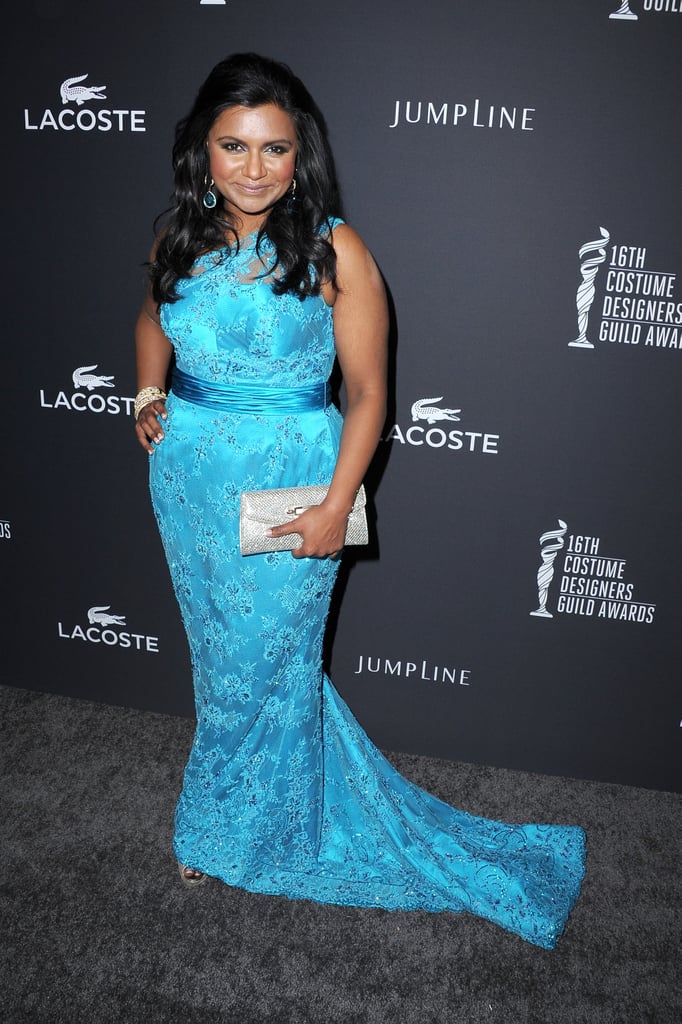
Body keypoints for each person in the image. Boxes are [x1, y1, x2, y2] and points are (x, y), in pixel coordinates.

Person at [134, 53, 585, 950]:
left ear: (301, 156)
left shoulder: (333, 246)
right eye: (234, 146)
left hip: (295, 483)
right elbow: (153, 314)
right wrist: (148, 393)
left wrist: (340, 504)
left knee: (267, 665)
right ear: (202, 151)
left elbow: (371, 394)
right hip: (188, 482)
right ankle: (249, 815)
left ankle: (224, 831)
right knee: (224, 664)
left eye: (274, 149)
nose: (254, 169)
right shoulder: (177, 235)